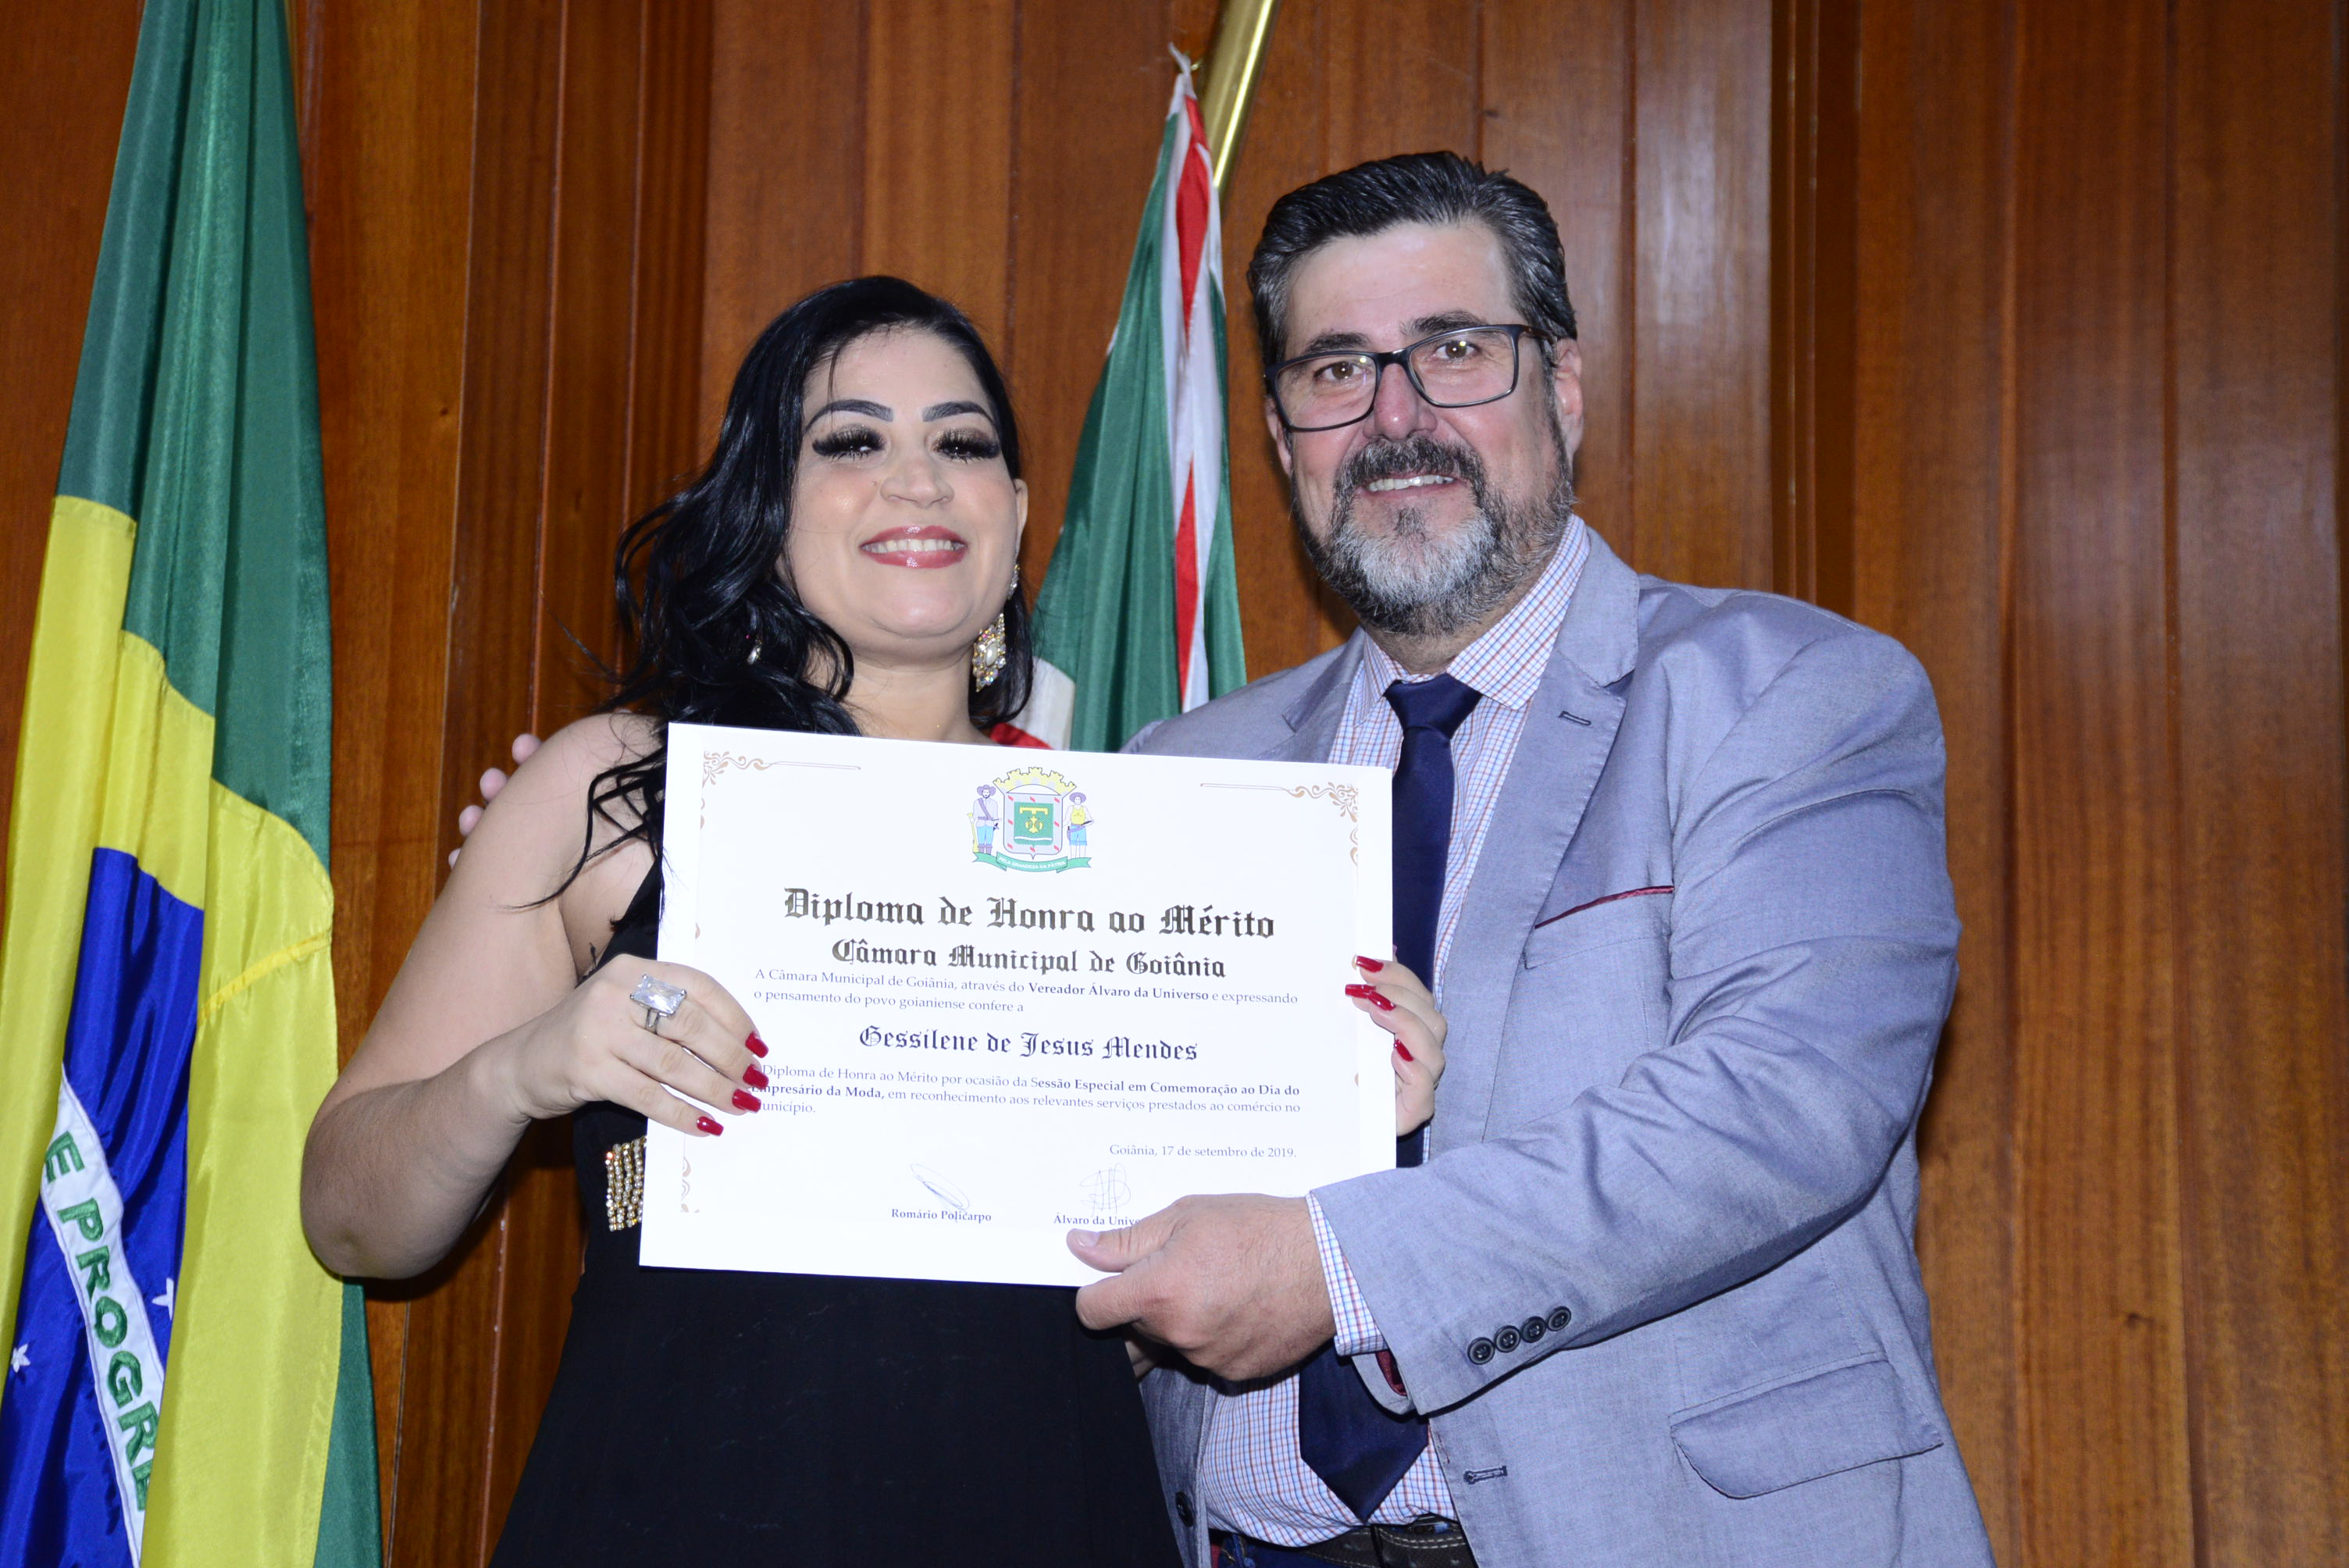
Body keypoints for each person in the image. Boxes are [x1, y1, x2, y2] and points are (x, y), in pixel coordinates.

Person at [305, 275, 1448, 1566]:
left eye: (962, 444)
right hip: (673, 1512)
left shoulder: (1145, 860)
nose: (917, 480)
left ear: (1017, 514)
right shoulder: (613, 792)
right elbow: (351, 1217)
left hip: (1048, 1517)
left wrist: (1339, 1110)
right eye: (851, 441)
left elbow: (1144, 1318)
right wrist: (526, 1067)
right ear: (767, 506)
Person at [1063, 155, 1998, 1567]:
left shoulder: (1788, 693)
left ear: (1562, 386)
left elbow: (1783, 1101)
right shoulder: (1181, 772)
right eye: (1336, 370)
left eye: (1454, 351)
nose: (1396, 418)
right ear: (1279, 435)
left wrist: (1341, 1271)